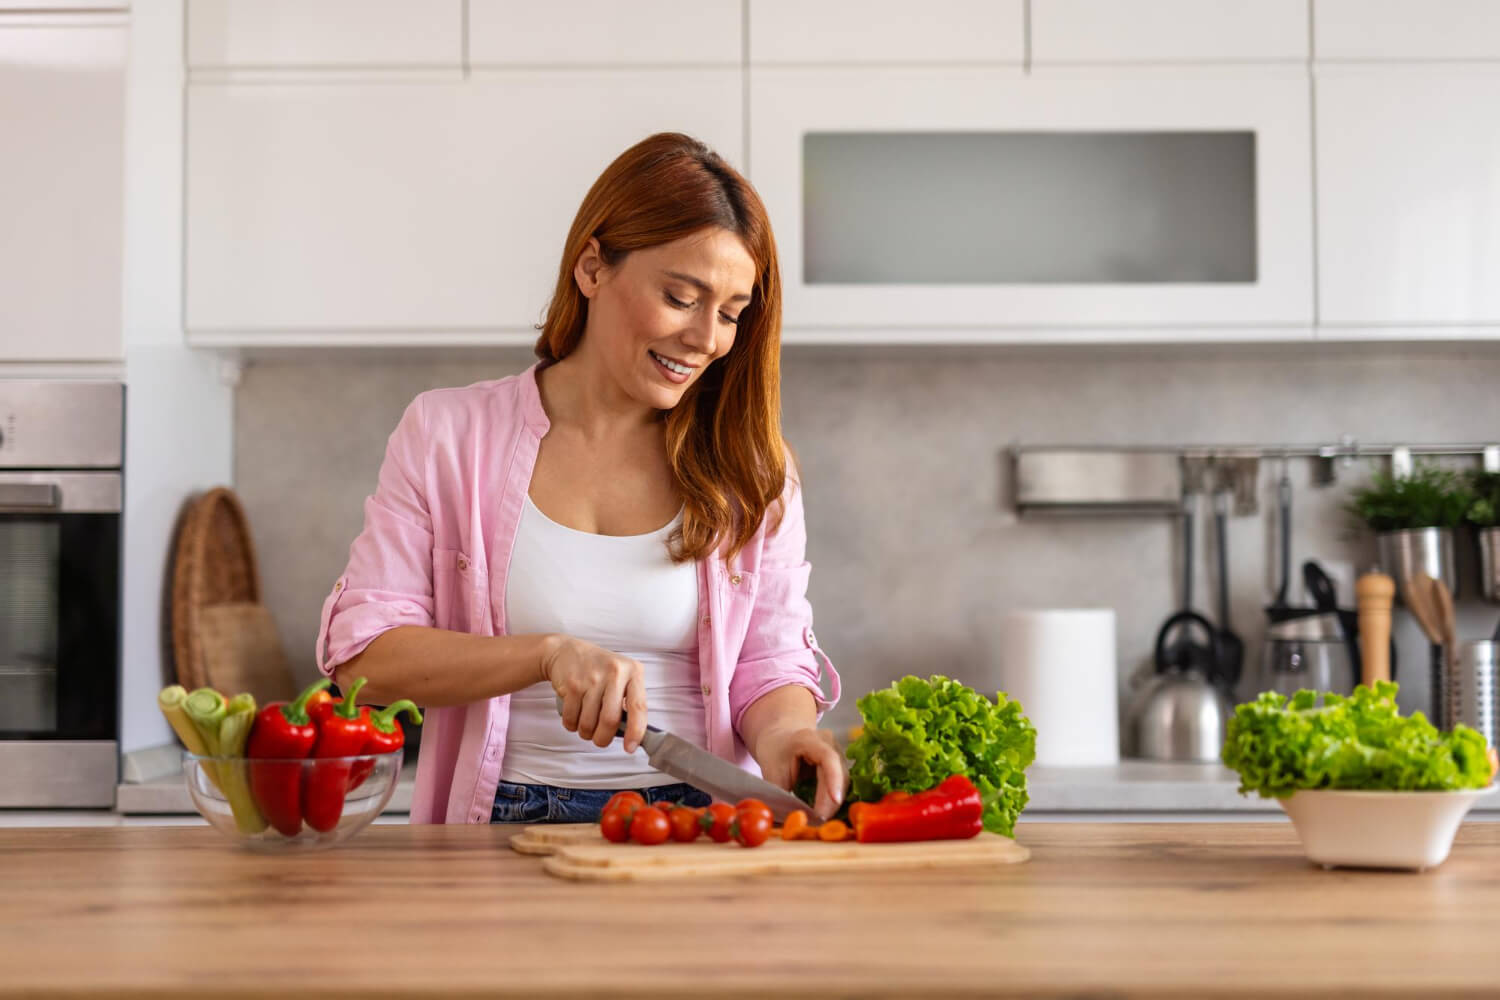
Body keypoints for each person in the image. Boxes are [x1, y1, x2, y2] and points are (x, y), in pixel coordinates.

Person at [314, 132, 843, 825]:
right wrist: (546, 656)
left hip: (698, 826)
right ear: (592, 268)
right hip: (496, 826)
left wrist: (785, 736)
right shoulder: (448, 435)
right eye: (682, 297)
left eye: (732, 314)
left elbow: (769, 664)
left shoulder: (752, 468)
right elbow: (364, 659)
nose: (707, 338)